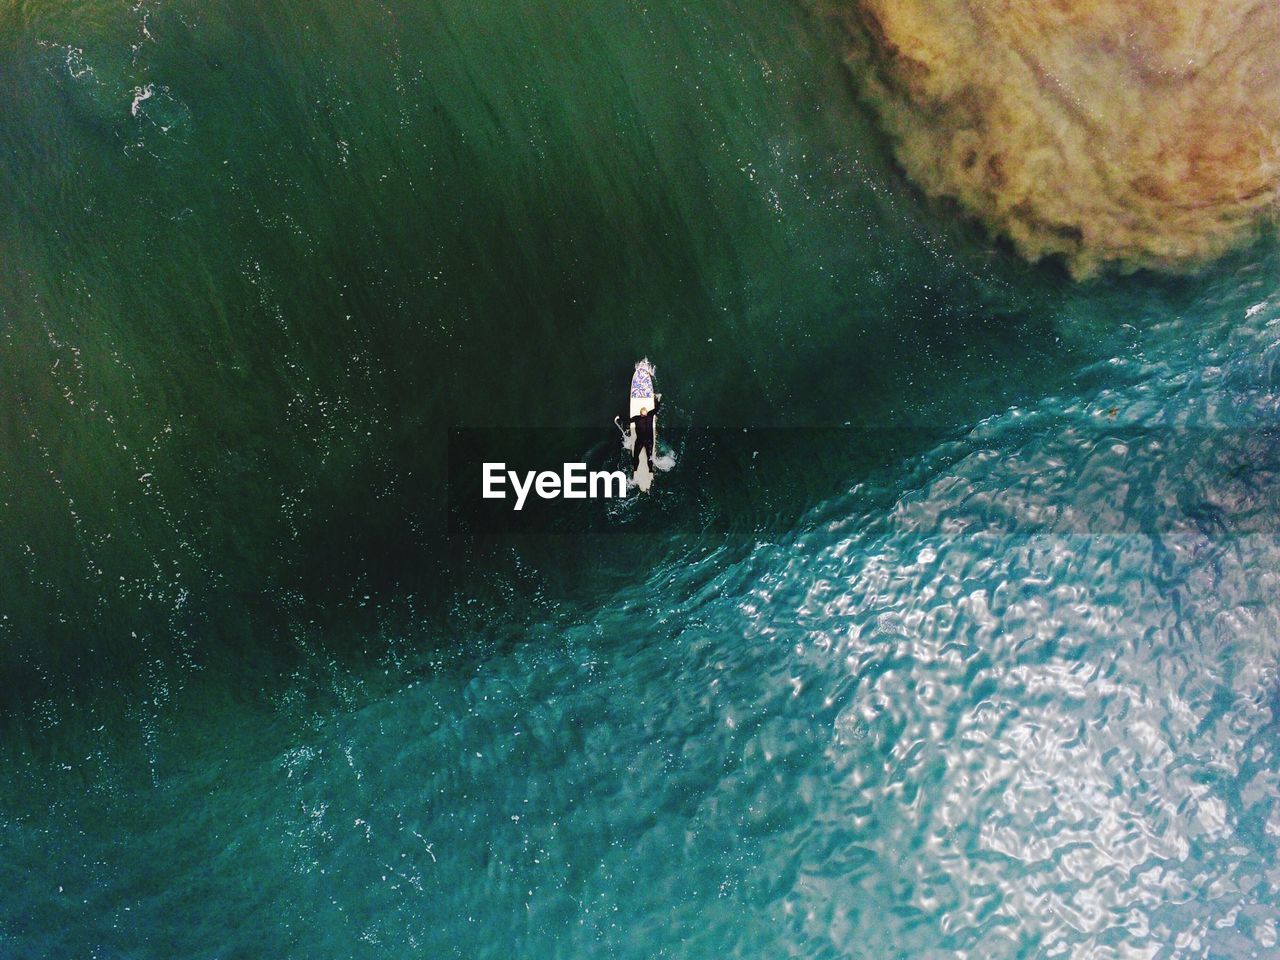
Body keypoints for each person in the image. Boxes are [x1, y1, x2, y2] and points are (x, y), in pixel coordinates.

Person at [617, 393, 662, 473]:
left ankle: (635, 469)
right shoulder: (650, 415)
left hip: (640, 441)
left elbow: (627, 420)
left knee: (636, 456)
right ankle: (650, 470)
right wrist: (657, 399)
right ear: (647, 413)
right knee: (649, 457)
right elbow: (657, 409)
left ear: (641, 414)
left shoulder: (637, 418)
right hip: (649, 441)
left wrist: (620, 417)